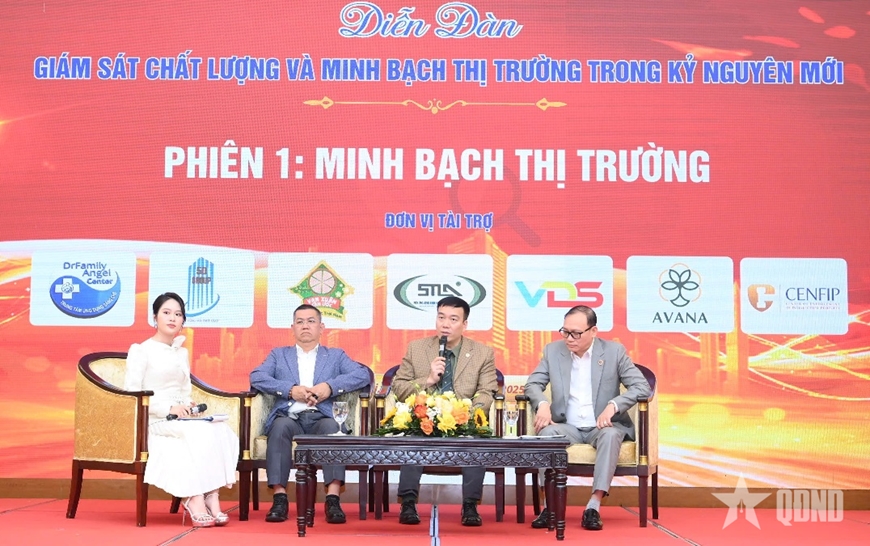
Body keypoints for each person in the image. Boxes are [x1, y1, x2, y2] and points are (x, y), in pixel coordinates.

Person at [524, 305, 651, 531]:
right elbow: (533, 384)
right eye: (565, 332)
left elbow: (641, 387)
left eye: (576, 333)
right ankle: (549, 507)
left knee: (611, 435)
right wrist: (542, 404)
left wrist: (614, 405)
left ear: (593, 331)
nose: (569, 338)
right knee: (546, 435)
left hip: (601, 426)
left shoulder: (614, 351)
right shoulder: (553, 351)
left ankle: (593, 506)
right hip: (567, 426)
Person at [123, 292, 239, 528]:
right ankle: (194, 498)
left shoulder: (181, 352)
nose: (172, 318)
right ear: (155, 317)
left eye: (178, 314)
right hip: (154, 418)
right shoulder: (141, 350)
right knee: (197, 433)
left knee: (220, 430)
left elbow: (184, 391)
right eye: (166, 313)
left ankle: (212, 494)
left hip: (180, 418)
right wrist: (168, 408)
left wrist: (189, 406)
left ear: (183, 321)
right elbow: (132, 395)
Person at [249, 304, 371, 524]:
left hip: (322, 416)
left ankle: (333, 498)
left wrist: (330, 387)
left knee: (333, 429)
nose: (305, 326)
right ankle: (280, 498)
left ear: (321, 327)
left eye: (311, 321)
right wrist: (289, 390)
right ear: (293, 328)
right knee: (279, 427)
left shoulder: (335, 355)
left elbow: (362, 375)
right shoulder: (279, 355)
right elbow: (257, 377)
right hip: (290, 416)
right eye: (300, 322)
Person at [391, 296, 498, 527]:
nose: (445, 324)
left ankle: (470, 505)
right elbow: (398, 388)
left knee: (476, 440)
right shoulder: (417, 348)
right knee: (413, 438)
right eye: (441, 317)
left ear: (464, 324)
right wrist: (428, 380)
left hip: (463, 419)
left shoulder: (483, 353)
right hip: (424, 418)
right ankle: (408, 502)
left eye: (453, 319)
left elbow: (486, 392)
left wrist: (465, 414)